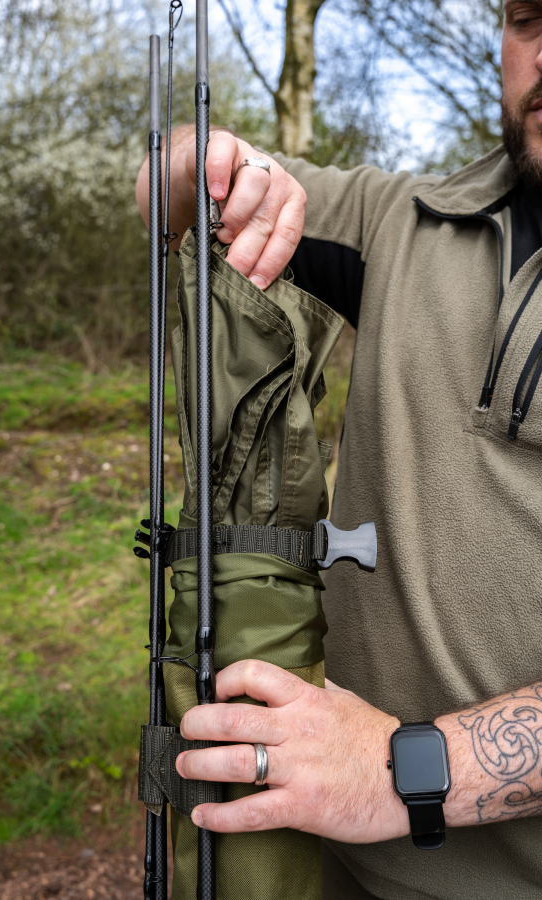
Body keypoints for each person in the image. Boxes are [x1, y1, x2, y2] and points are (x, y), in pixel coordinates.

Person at [136, 3, 542, 898]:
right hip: (331, 866)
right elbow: (167, 188)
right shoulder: (406, 219)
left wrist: (405, 769)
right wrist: (210, 163)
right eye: (530, 19)